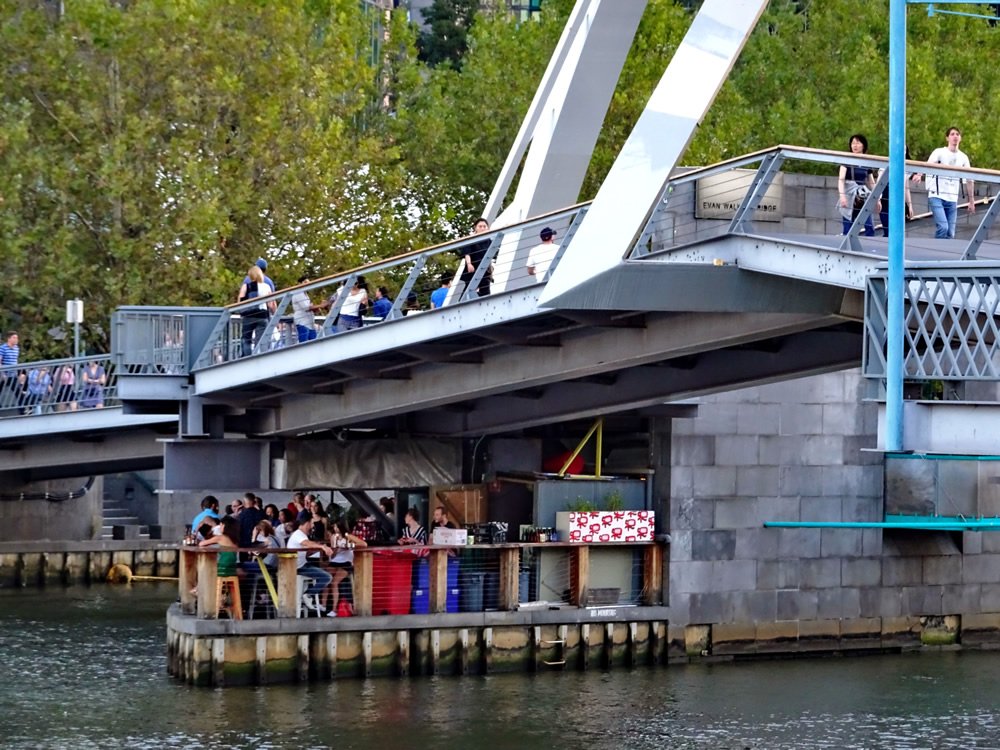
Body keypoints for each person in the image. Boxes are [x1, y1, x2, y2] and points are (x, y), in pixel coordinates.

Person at [912, 126, 976, 239]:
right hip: (937, 195)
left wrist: (971, 201)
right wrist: (919, 174)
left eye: (957, 134)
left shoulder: (963, 157)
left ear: (960, 138)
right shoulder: (939, 152)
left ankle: (944, 254)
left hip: (952, 198)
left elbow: (970, 180)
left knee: (950, 233)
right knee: (943, 227)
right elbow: (928, 164)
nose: (955, 136)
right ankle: (936, 253)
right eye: (952, 134)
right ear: (947, 138)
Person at [288, 510, 335, 613]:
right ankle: (308, 595)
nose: (312, 526)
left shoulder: (299, 534)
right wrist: (322, 546)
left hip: (301, 565)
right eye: (312, 523)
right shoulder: (299, 534)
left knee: (324, 570)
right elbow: (306, 543)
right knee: (327, 577)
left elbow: (305, 548)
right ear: (307, 523)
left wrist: (315, 549)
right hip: (298, 568)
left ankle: (309, 597)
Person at [837, 134, 880, 237]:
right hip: (850, 196)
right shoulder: (846, 160)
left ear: (863, 146)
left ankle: (869, 249)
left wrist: (877, 198)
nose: (855, 146)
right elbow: (841, 179)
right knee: (848, 226)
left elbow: (871, 182)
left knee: (869, 226)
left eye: (857, 143)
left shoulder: (866, 161)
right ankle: (847, 250)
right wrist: (842, 196)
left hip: (862, 195)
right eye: (853, 143)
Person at [325, 519, 368, 617]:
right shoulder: (333, 537)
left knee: (334, 582)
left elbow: (364, 544)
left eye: (336, 526)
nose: (335, 529)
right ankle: (323, 605)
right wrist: (335, 548)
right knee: (326, 578)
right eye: (334, 527)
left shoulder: (348, 536)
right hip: (335, 562)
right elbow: (332, 556)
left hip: (346, 562)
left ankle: (334, 609)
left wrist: (349, 545)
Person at [237, 264, 276, 357]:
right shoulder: (266, 286)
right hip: (262, 316)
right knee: (261, 341)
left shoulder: (246, 286)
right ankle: (260, 359)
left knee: (246, 339)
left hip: (248, 316)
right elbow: (271, 304)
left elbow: (240, 302)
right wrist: (274, 314)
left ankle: (247, 359)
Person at [878, 146, 914, 238]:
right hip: (885, 197)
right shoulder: (886, 163)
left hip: (898, 199)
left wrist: (910, 205)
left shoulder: (907, 167)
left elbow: (906, 187)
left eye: (904, 149)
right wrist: (877, 199)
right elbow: (879, 183)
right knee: (887, 228)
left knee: (897, 230)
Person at [459, 218, 493, 298]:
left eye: (484, 226)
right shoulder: (472, 239)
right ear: (476, 228)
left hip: (484, 270)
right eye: (480, 226)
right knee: (468, 290)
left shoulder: (489, 240)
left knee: (486, 292)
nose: (482, 228)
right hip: (473, 269)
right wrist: (469, 264)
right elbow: (467, 253)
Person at [292, 275, 317, 343]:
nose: (308, 284)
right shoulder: (298, 293)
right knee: (304, 342)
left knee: (313, 341)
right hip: (302, 322)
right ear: (300, 283)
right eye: (305, 282)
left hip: (309, 322)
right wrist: (320, 306)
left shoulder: (305, 294)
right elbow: (306, 307)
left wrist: (315, 308)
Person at [0, 331, 19, 410]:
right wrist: (2, 373)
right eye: (14, 338)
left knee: (18, 391)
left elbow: (15, 360)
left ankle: (23, 410)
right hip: (4, 374)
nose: (16, 340)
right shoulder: (2, 348)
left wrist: (17, 372)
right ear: (9, 339)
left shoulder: (16, 348)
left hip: (12, 374)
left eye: (17, 338)